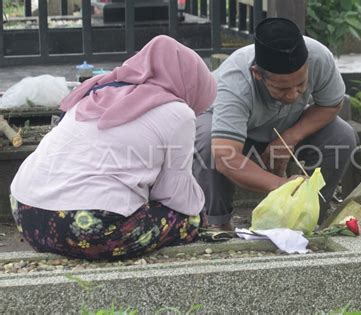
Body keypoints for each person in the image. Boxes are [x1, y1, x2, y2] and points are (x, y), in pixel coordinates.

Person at [9, 36, 217, 260]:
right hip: (88, 228)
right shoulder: (178, 112)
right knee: (191, 219)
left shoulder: (98, 90)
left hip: (26, 213)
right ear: (192, 85)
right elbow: (175, 195)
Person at [193, 18, 358, 230]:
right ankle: (216, 222)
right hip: (227, 130)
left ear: (307, 64)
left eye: (301, 84)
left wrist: (290, 137)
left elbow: (331, 105)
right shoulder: (236, 82)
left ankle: (307, 217)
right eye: (281, 89)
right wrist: (282, 186)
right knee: (208, 142)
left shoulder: (318, 56)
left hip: (283, 125)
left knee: (342, 135)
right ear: (258, 74)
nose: (292, 95)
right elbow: (226, 157)